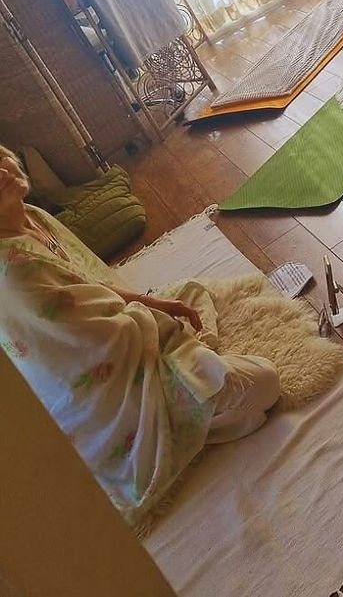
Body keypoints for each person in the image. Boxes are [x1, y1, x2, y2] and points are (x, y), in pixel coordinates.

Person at [0, 145, 280, 525]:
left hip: (129, 338)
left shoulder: (34, 216)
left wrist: (161, 309)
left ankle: (196, 381)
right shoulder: (12, 276)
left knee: (191, 293)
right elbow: (94, 350)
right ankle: (183, 425)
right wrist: (160, 325)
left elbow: (94, 284)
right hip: (107, 398)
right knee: (264, 383)